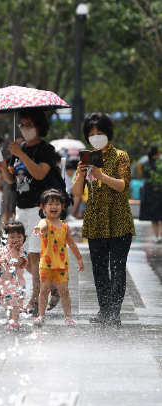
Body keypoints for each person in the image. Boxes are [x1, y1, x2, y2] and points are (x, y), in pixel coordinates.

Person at [0, 108, 63, 315]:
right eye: (22, 125)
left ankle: (34, 300)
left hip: (38, 209)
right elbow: (11, 179)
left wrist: (21, 154)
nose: (24, 129)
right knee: (22, 255)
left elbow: (40, 174)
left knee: (34, 257)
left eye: (29, 125)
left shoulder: (46, 149)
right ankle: (52, 287)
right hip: (21, 207)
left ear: (39, 126)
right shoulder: (19, 148)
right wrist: (3, 167)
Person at [72, 113, 135, 326]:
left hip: (119, 219)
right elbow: (76, 192)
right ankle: (104, 310)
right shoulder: (86, 158)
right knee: (98, 269)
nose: (96, 137)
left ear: (108, 133)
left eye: (99, 133)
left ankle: (114, 313)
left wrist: (101, 176)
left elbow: (122, 185)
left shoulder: (120, 156)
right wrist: (81, 173)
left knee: (117, 267)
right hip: (95, 219)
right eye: (91, 134)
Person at [31, 190, 84, 326]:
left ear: (62, 207)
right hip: (46, 265)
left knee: (64, 291)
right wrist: (38, 228)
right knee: (44, 291)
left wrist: (79, 257)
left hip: (61, 265)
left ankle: (68, 317)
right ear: (43, 207)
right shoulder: (45, 222)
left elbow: (71, 244)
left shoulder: (65, 227)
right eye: (50, 204)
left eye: (57, 204)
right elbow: (42, 226)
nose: (53, 207)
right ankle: (41, 316)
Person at [0, 221, 28, 331]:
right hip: (3, 283)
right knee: (7, 304)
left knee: (15, 303)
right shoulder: (2, 250)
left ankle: (15, 321)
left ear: (23, 237)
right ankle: (10, 321)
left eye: (19, 236)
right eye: (12, 236)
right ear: (6, 237)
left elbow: (16, 262)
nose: (16, 239)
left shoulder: (22, 251)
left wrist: (14, 251)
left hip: (17, 284)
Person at [139, 146, 162, 242]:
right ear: (157, 153)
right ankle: (160, 236)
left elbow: (144, 176)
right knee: (160, 215)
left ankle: (157, 237)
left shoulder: (145, 164)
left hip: (149, 192)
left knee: (154, 217)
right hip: (160, 191)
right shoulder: (160, 164)